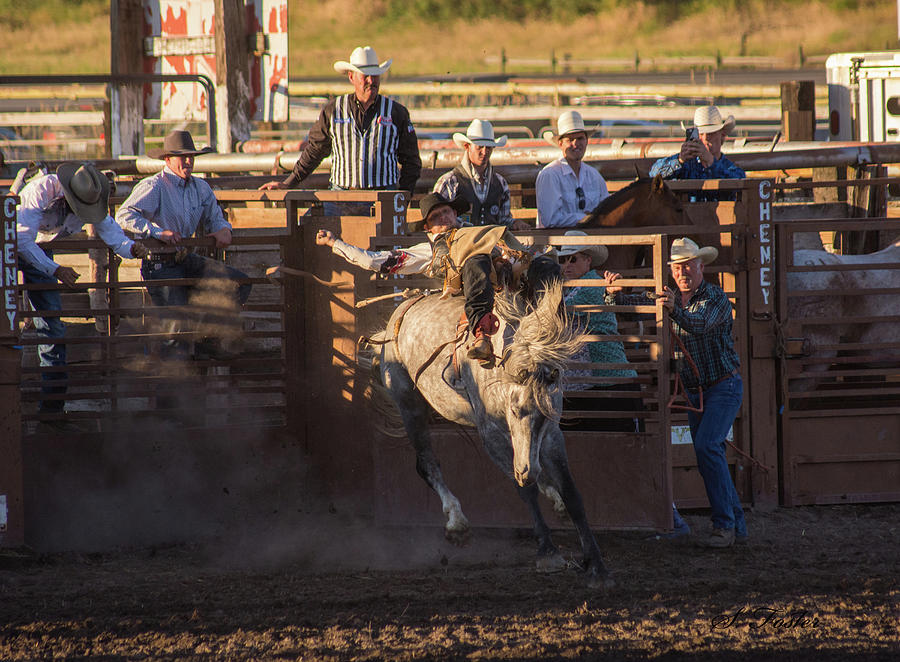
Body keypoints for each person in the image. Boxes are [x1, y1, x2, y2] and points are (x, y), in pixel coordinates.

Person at [604, 237, 745, 548]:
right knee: (712, 452)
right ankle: (736, 525)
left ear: (701, 266)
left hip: (723, 385)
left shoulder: (716, 299)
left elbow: (699, 324)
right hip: (698, 392)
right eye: (677, 268)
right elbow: (634, 303)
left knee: (708, 448)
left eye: (688, 266)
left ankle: (724, 526)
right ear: (671, 272)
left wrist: (671, 310)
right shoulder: (670, 298)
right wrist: (613, 296)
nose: (682, 272)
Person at [315, 192, 553, 365]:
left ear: (455, 213)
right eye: (435, 217)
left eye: (445, 212)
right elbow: (374, 260)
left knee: (546, 266)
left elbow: (516, 252)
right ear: (428, 227)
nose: (443, 219)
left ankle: (550, 319)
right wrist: (335, 243)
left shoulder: (482, 232)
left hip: (511, 281)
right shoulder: (428, 250)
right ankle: (482, 334)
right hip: (473, 287)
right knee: (475, 261)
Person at [16, 162, 147, 426]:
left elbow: (111, 231)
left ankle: (50, 412)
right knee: (8, 326)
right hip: (10, 247)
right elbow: (20, 239)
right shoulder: (41, 190)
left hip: (40, 252)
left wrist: (131, 249)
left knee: (53, 330)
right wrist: (56, 269)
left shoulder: (89, 198)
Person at [115, 130, 251, 358]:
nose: (188, 161)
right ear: (167, 160)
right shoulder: (155, 186)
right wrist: (158, 232)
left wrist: (224, 229)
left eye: (191, 156)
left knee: (239, 283)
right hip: (160, 265)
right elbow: (125, 215)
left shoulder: (201, 188)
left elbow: (214, 217)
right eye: (182, 157)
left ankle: (206, 337)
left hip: (185, 259)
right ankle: (174, 384)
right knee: (175, 331)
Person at [259, 46, 421, 201]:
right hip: (341, 196)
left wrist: (403, 196)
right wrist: (289, 183)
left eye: (375, 75)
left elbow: (411, 160)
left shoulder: (396, 113)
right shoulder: (333, 110)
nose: (371, 81)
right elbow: (315, 150)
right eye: (365, 76)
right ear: (352, 77)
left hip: (383, 195)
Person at [555, 231, 640, 432]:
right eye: (563, 259)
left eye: (573, 259)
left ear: (588, 260)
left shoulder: (591, 286)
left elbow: (558, 314)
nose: (567, 264)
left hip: (611, 382)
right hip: (596, 381)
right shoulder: (572, 288)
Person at [433, 119, 529, 230]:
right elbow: (437, 222)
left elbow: (504, 220)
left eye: (488, 147)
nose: (484, 152)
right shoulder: (449, 181)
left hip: (493, 244)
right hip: (459, 245)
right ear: (467, 146)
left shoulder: (500, 183)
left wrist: (514, 223)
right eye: (479, 146)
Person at [649, 105, 745, 201]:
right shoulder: (686, 164)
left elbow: (737, 183)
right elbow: (653, 174)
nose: (705, 138)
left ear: (722, 135)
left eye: (711, 133)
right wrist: (679, 160)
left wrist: (710, 161)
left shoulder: (731, 169)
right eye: (701, 134)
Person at [535, 110, 609, 228]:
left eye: (580, 138)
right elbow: (550, 219)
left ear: (586, 141)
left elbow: (607, 211)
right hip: (558, 244)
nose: (576, 144)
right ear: (560, 144)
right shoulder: (550, 174)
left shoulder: (594, 175)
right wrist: (586, 218)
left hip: (592, 241)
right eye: (570, 140)